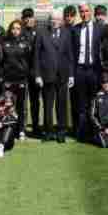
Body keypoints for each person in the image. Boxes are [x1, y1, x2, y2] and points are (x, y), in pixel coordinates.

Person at [35, 10, 74, 144]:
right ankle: (48, 131)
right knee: (47, 105)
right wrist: (38, 75)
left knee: (61, 105)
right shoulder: (41, 33)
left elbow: (70, 56)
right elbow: (36, 56)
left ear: (61, 20)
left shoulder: (67, 33)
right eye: (52, 19)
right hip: (47, 75)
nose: (55, 21)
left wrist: (71, 75)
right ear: (49, 20)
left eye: (57, 19)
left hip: (62, 75)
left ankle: (61, 132)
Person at [72, 3, 102, 141]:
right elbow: (72, 53)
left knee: (94, 102)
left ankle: (95, 132)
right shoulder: (75, 29)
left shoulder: (100, 28)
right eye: (81, 11)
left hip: (94, 70)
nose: (84, 14)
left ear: (91, 12)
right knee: (81, 103)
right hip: (80, 70)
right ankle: (82, 133)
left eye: (86, 11)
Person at [0, 20, 32, 137]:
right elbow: (1, 60)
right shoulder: (4, 43)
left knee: (21, 106)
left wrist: (25, 72)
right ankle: (9, 128)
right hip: (8, 79)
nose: (15, 31)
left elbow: (29, 60)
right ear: (10, 29)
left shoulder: (26, 43)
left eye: (18, 28)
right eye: (13, 28)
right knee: (8, 105)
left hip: (21, 79)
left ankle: (21, 129)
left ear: (21, 30)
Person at [21, 8, 42, 137]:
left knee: (35, 101)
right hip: (22, 72)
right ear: (23, 19)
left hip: (35, 72)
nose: (28, 19)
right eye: (26, 17)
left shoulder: (39, 32)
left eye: (30, 17)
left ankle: (35, 127)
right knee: (22, 101)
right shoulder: (20, 32)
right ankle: (21, 128)